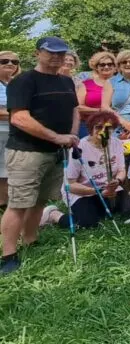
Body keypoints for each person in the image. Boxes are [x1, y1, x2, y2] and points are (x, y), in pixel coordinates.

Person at [1, 37, 78, 275]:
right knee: (18, 204)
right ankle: (8, 254)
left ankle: (31, 240)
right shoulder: (24, 81)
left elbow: (74, 109)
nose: (56, 57)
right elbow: (19, 118)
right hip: (27, 152)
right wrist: (56, 137)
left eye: (60, 53)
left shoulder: (66, 81)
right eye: (50, 53)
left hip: (55, 152)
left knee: (40, 201)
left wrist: (72, 136)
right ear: (37, 53)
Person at [40, 111, 130, 228]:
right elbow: (71, 185)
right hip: (83, 192)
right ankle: (54, 215)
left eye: (108, 128)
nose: (103, 131)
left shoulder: (117, 143)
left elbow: (121, 170)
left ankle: (99, 209)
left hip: (108, 189)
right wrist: (97, 191)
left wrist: (117, 182)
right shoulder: (79, 148)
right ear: (90, 128)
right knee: (88, 223)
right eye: (98, 127)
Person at [77, 51, 117, 136]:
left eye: (110, 64)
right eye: (102, 65)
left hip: (116, 127)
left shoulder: (121, 84)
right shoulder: (86, 84)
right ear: (96, 67)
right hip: (89, 127)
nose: (106, 67)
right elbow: (78, 107)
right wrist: (100, 111)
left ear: (114, 67)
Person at [0, 51, 21, 209]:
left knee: (10, 169)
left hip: (17, 132)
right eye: (4, 61)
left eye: (14, 62)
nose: (10, 64)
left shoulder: (17, 83)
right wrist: (18, 114)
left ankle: (8, 203)